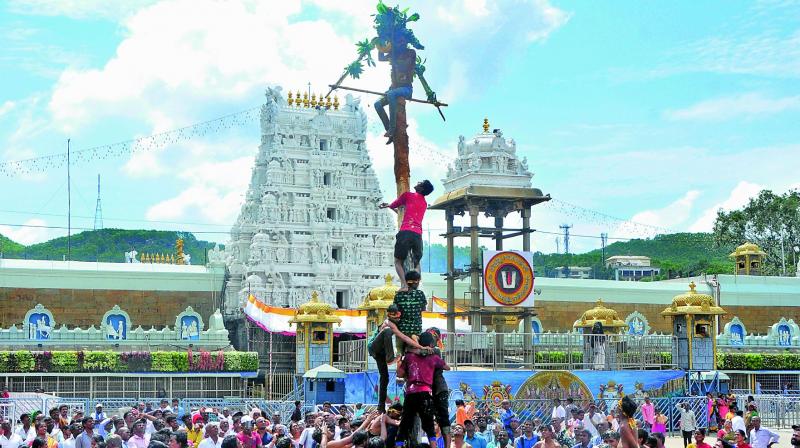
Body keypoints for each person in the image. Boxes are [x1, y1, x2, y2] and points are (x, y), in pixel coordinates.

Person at [394, 331, 449, 448]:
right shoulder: (434, 357)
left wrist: (401, 360)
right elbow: (447, 367)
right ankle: (434, 446)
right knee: (429, 425)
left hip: (411, 393)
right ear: (430, 343)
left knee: (405, 423)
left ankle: (398, 446)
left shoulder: (409, 356)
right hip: (425, 393)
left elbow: (399, 374)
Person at [379, 180, 435, 290]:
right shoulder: (424, 203)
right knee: (416, 262)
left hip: (405, 232)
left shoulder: (408, 195)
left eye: (420, 183)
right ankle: (416, 286)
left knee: (397, 261)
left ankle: (404, 285)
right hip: (417, 234)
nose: (418, 182)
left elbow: (395, 204)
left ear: (421, 188)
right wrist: (391, 207)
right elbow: (406, 214)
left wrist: (388, 205)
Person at [373, 36, 416, 145]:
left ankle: (392, 128)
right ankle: (389, 130)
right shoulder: (393, 53)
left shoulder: (410, 53)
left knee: (391, 94)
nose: (401, 44)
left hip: (406, 89)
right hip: (394, 88)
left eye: (402, 41)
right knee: (377, 104)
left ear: (406, 42)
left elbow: (405, 65)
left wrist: (394, 59)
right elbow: (381, 58)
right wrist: (379, 45)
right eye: (398, 41)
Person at [391, 272, 427, 355]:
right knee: (413, 353)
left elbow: (396, 312)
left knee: (399, 353)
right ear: (416, 281)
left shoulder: (398, 295)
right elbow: (423, 309)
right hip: (415, 330)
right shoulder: (420, 294)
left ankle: (400, 367)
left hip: (401, 330)